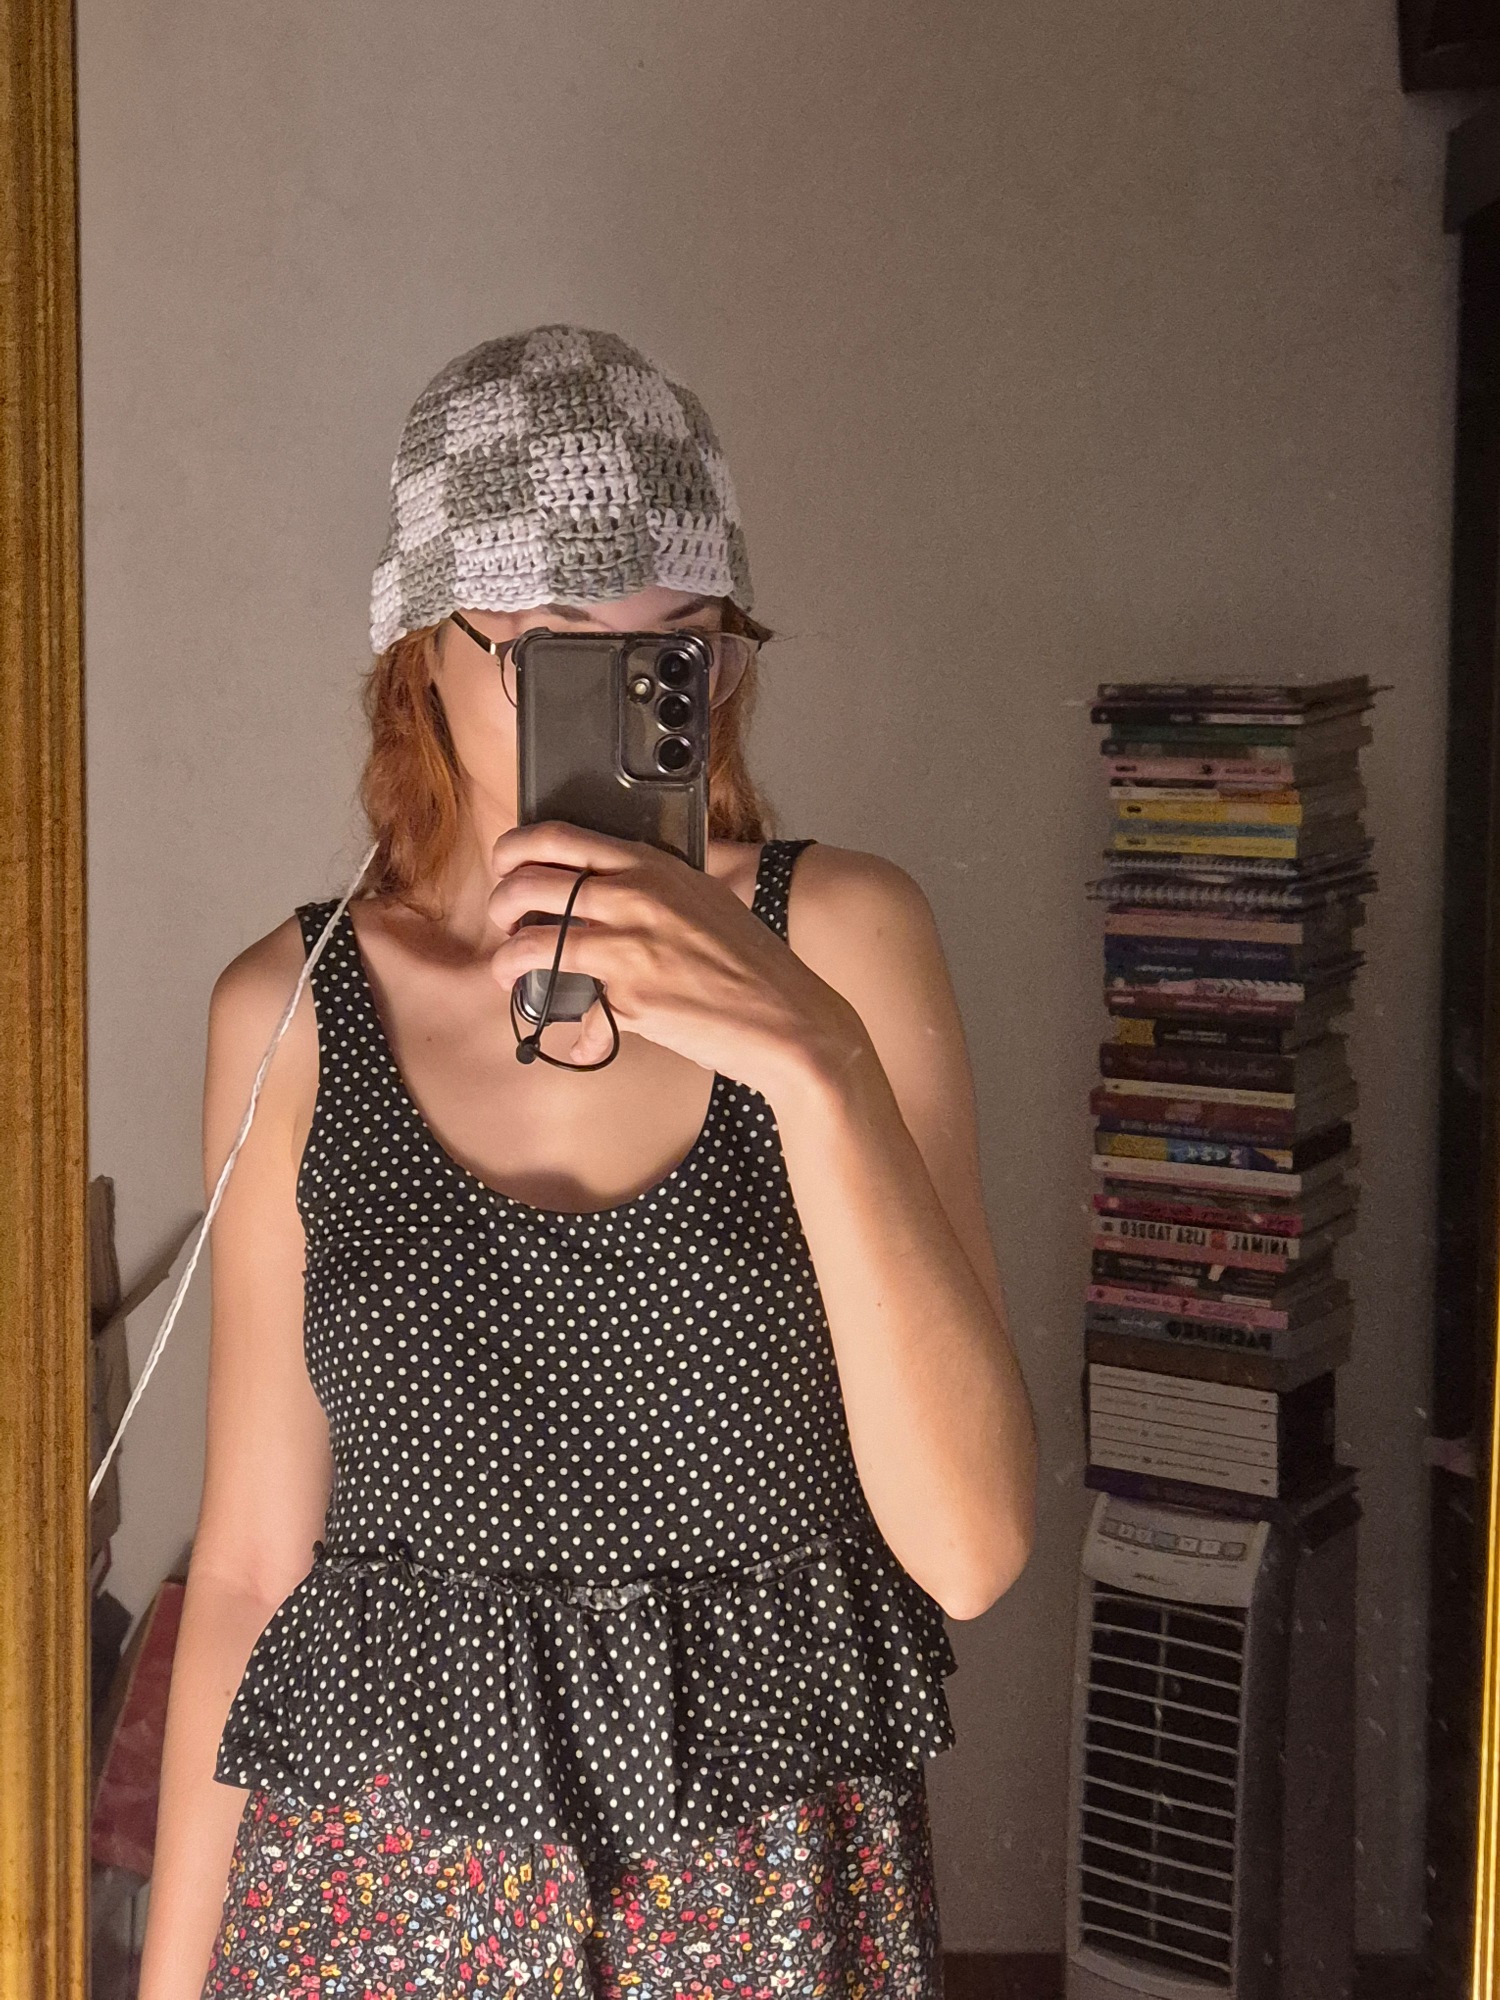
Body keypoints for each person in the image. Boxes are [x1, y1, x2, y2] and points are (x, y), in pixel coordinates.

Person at [138, 324, 1037, 1999]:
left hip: (762, 1914)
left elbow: (972, 1548)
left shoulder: (842, 940)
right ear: (423, 653)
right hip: (370, 1906)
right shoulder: (294, 1010)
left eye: (677, 652)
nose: (630, 706)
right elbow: (254, 1561)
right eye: (558, 656)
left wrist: (812, 1058)